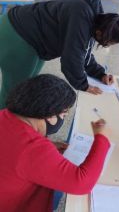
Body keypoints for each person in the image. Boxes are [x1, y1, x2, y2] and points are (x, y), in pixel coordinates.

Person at [0, 74, 111, 211]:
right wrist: (102, 138)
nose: (63, 119)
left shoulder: (5, 114)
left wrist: (49, 146)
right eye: (64, 115)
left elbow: (11, 150)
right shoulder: (34, 148)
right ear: (49, 114)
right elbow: (82, 184)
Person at [0, 0, 119, 108]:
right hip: (17, 34)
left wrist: (100, 74)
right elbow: (71, 59)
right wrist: (84, 85)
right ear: (101, 33)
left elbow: (84, 53)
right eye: (109, 42)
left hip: (33, 41)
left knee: (26, 87)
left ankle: (11, 123)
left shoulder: (94, 22)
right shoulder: (82, 17)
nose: (108, 45)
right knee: (13, 93)